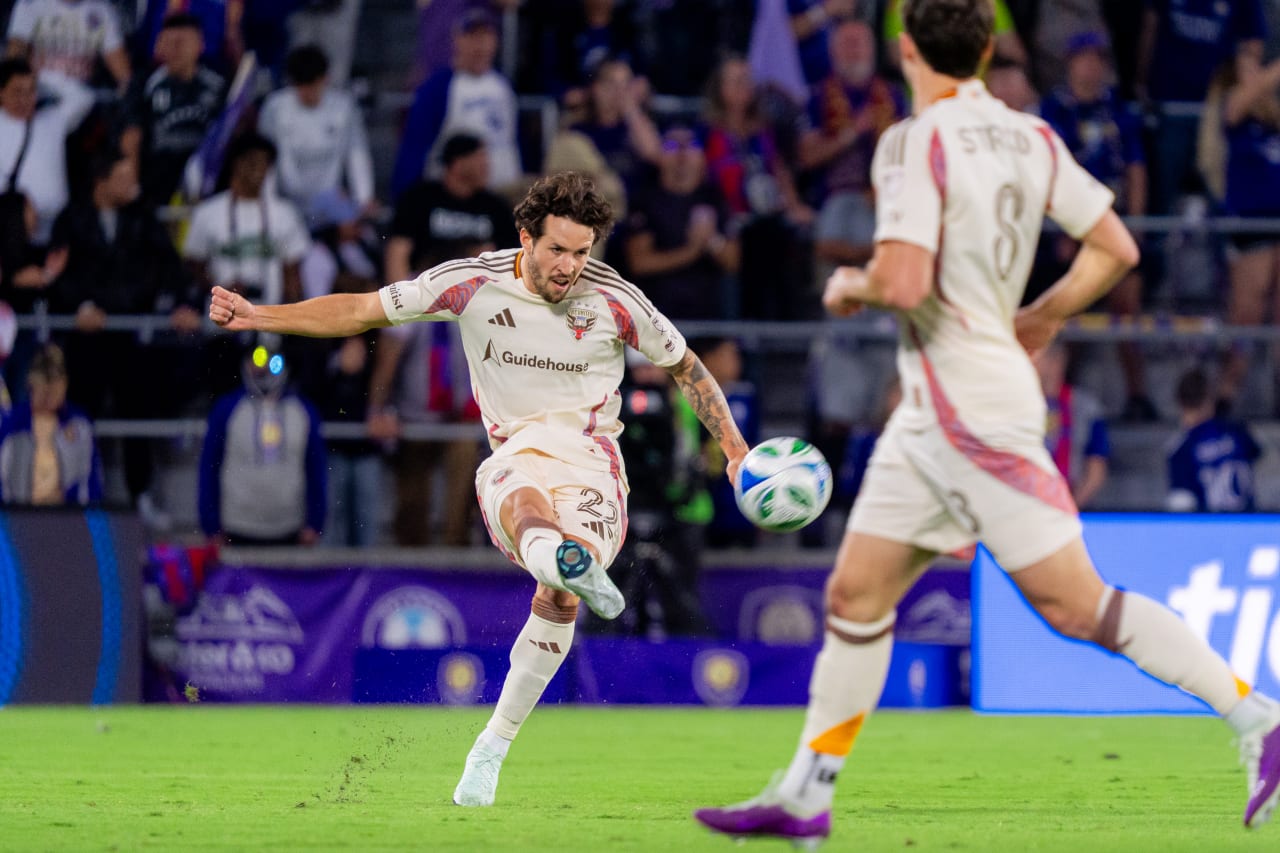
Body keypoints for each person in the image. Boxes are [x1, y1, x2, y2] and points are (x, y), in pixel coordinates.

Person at [695, 1, 1280, 844]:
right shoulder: (1029, 136)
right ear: (985, 50)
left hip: (964, 408)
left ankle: (1257, 717)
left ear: (905, 51)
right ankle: (805, 794)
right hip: (945, 405)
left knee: (1078, 606)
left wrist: (849, 285)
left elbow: (900, 281)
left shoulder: (913, 139)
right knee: (856, 595)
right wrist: (1040, 315)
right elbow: (1118, 247)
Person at [207, 170, 749, 807]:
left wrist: (736, 452)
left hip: (592, 464)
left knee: (560, 598)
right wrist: (257, 315)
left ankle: (493, 740)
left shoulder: (617, 300)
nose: (571, 265)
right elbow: (360, 309)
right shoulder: (471, 282)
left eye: (583, 251)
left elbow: (687, 366)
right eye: (558, 249)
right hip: (514, 452)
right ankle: (564, 561)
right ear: (526, 237)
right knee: (526, 505)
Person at [198, 348, 327, 547]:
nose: (264, 368)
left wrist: (315, 522)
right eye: (258, 358)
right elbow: (209, 466)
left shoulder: (303, 411)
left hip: (289, 527)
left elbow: (316, 469)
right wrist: (210, 524)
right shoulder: (227, 409)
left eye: (273, 361)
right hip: (237, 526)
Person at [391, 8, 521, 198]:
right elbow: (414, 148)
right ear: (457, 39)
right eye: (472, 36)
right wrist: (404, 198)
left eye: (486, 36)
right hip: (454, 198)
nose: (481, 45)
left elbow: (513, 142)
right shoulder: (438, 87)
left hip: (503, 197)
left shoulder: (503, 87)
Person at [257, 44, 374, 223]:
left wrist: (364, 199)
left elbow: (356, 154)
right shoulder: (275, 108)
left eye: (312, 85)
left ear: (324, 79)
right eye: (300, 86)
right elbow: (266, 160)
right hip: (288, 200)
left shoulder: (344, 107)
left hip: (329, 200)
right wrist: (266, 203)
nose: (306, 93)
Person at [120, 12, 227, 208]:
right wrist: (132, 186)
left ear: (200, 45)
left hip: (208, 187)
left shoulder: (220, 84)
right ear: (158, 46)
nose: (176, 49)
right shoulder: (144, 83)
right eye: (169, 42)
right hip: (158, 183)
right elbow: (131, 135)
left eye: (183, 42)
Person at [0, 342, 101, 505]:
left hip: (67, 519)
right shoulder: (10, 423)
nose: (49, 397)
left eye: (55, 389)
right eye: (44, 389)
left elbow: (89, 481)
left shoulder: (79, 425)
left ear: (65, 384)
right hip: (17, 517)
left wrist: (82, 515)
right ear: (31, 383)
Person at [1166, 367, 1262, 513]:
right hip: (1249, 524)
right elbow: (1257, 452)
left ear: (1179, 401)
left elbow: (1181, 506)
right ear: (1209, 400)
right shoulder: (1237, 432)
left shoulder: (1181, 450)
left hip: (1211, 530)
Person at [1036, 340, 1110, 509]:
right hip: (1027, 505)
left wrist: (1070, 508)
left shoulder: (1087, 408)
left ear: (1057, 361)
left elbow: (1096, 469)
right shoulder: (1018, 406)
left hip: (1071, 504)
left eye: (1036, 357)